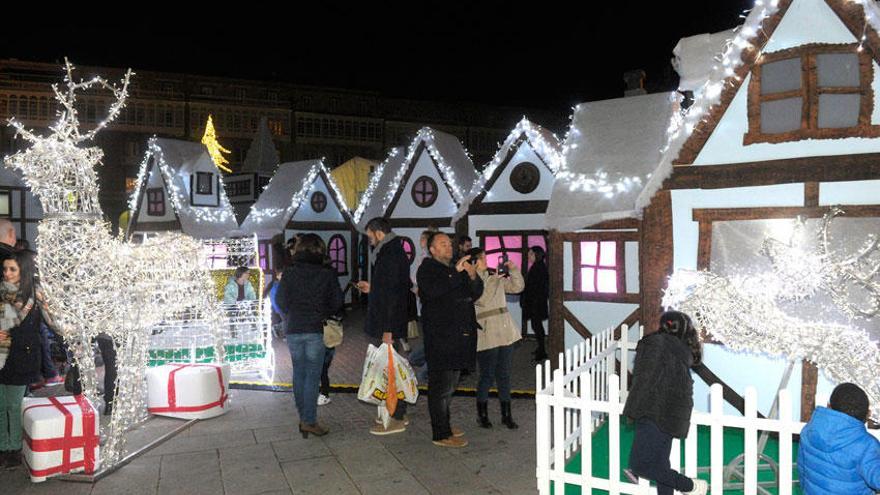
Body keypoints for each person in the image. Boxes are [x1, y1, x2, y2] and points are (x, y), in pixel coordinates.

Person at [623, 311, 707, 495]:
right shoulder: (681, 350)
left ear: (663, 325)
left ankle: (689, 486)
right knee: (661, 463)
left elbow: (644, 379)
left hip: (652, 410)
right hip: (672, 414)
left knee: (639, 465)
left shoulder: (654, 344)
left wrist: (633, 410)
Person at [417, 232, 483, 448]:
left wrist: (473, 276)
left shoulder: (454, 267)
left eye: (449, 244)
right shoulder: (427, 269)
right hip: (441, 338)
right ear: (432, 249)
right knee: (440, 388)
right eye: (442, 244)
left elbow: (474, 294)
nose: (448, 247)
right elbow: (434, 291)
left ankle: (444, 424)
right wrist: (456, 273)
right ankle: (441, 433)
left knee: (451, 385)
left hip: (460, 338)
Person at [276, 234, 343, 438]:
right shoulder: (327, 273)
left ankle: (304, 417)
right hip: (315, 328)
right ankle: (309, 421)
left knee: (299, 373)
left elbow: (280, 300)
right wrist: (322, 312)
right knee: (313, 376)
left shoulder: (290, 272)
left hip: (294, 327)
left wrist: (291, 314)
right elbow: (337, 302)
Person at [356, 217, 413, 435]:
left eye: (370, 234)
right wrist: (373, 288)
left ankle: (394, 416)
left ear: (378, 232)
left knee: (388, 372)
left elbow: (392, 295)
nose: (369, 239)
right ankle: (399, 412)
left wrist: (388, 329)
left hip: (386, 323)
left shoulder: (389, 253)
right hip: (387, 321)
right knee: (391, 368)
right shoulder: (392, 250)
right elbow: (390, 287)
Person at [470, 247, 524, 430]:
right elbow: (482, 300)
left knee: (504, 375)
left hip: (505, 329)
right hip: (486, 331)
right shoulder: (471, 281)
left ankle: (506, 415)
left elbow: (518, 287)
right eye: (482, 258)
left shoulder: (494, 277)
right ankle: (482, 415)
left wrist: (514, 270)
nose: (486, 261)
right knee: (487, 375)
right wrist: (494, 280)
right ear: (474, 262)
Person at [0, 250, 43, 469]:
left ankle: (14, 448)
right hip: (1, 355)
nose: (7, 273)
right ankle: (3, 446)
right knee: (1, 405)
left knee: (14, 405)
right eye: (5, 269)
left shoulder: (33, 295)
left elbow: (52, 320)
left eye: (12, 269)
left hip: (21, 356)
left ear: (23, 271)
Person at [798, 382, 880, 494]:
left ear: (828, 406)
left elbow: (802, 471)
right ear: (867, 415)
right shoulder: (866, 445)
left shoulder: (808, 430)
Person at [521, 246, 549, 361]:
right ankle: (540, 348)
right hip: (536, 302)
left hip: (536, 303)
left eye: (531, 253)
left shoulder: (539, 267)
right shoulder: (538, 266)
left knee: (537, 327)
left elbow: (536, 287)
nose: (529, 255)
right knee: (536, 326)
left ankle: (542, 351)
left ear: (536, 255)